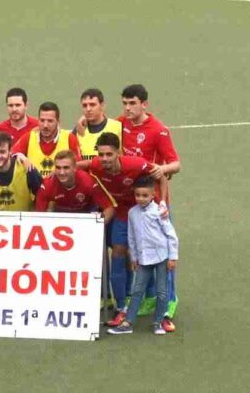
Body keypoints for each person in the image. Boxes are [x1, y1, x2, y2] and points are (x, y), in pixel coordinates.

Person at [84, 133, 168, 327]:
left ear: (118, 153)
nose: (104, 159)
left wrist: (162, 202)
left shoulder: (136, 164)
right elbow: (80, 165)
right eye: (101, 154)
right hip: (123, 213)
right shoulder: (96, 165)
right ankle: (121, 307)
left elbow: (161, 175)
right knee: (118, 252)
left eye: (109, 155)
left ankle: (158, 301)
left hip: (145, 214)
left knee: (150, 254)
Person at [119, 84, 181, 331]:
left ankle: (169, 303)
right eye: (124, 103)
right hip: (133, 202)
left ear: (144, 104)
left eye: (132, 103)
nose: (127, 108)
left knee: (163, 252)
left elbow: (175, 164)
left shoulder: (158, 130)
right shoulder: (120, 123)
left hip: (155, 204)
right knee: (142, 252)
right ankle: (149, 298)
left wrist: (162, 169)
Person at [107, 176, 178, 335]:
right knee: (137, 290)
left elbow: (171, 235)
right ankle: (128, 323)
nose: (141, 198)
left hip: (161, 256)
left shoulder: (160, 211)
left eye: (145, 195)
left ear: (153, 195)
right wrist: (133, 257)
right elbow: (131, 237)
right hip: (143, 259)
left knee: (161, 291)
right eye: (138, 195)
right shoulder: (132, 212)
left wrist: (173, 257)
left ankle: (158, 322)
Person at [35, 150, 115, 221]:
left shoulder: (88, 182)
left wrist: (96, 226)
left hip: (86, 214)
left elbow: (109, 209)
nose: (61, 172)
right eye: (58, 168)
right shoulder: (48, 184)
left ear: (75, 168)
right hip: (60, 215)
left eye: (66, 168)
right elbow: (38, 216)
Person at [12, 101, 81, 177]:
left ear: (58, 121)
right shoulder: (29, 137)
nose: (45, 125)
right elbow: (11, 154)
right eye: (42, 120)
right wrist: (20, 156)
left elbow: (78, 166)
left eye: (50, 121)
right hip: (35, 187)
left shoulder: (69, 139)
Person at [74, 88, 123, 160]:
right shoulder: (78, 130)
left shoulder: (118, 127)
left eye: (92, 105)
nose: (88, 109)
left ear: (102, 105)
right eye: (84, 105)